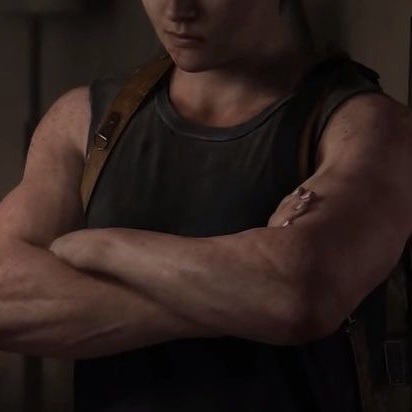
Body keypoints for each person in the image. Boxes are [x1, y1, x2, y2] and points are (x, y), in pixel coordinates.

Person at [0, 0, 411, 411]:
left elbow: (301, 291)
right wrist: (246, 302)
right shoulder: (84, 119)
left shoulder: (365, 125)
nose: (178, 9)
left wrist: (98, 248)